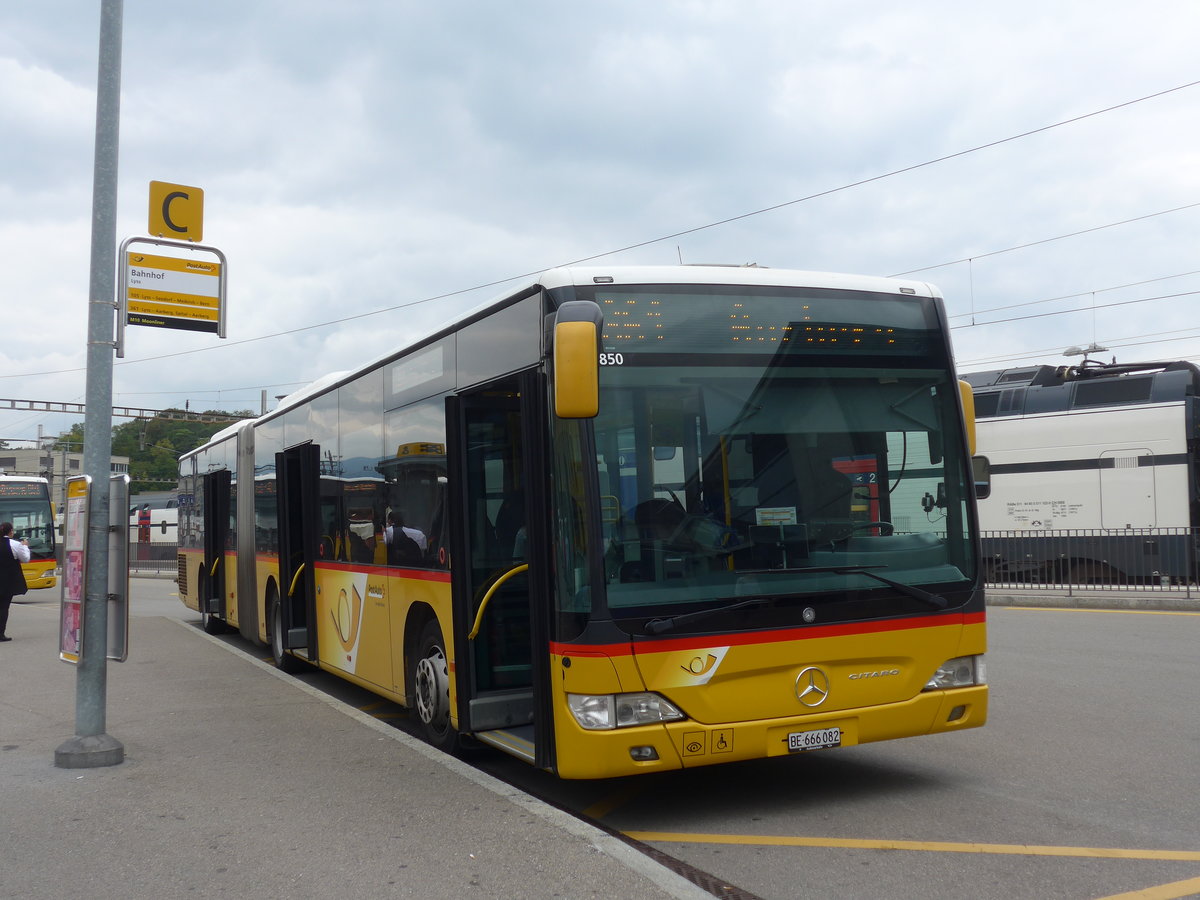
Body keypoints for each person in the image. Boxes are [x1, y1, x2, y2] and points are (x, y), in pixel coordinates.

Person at [0, 521, 31, 642]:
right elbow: (26, 559)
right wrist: (25, 546)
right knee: (3, 607)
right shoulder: (15, 544)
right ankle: (1, 633)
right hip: (7, 581)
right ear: (11, 531)